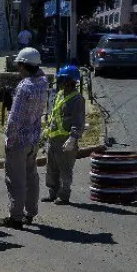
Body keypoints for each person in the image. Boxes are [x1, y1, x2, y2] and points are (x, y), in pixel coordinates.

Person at [0, 47, 49, 229]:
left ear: (23, 66)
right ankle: (30, 213)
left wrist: (9, 141)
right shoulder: (43, 83)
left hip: (19, 141)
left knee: (16, 180)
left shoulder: (24, 87)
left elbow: (14, 119)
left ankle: (16, 217)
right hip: (33, 140)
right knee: (31, 177)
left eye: (19, 65)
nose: (18, 69)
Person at [43, 65, 85, 205]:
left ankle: (64, 196)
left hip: (66, 140)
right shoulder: (59, 94)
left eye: (64, 79)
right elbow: (53, 115)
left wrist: (73, 138)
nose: (61, 81)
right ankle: (52, 193)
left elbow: (78, 121)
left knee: (65, 170)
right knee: (51, 169)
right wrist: (46, 131)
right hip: (53, 139)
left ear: (71, 81)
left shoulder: (77, 99)